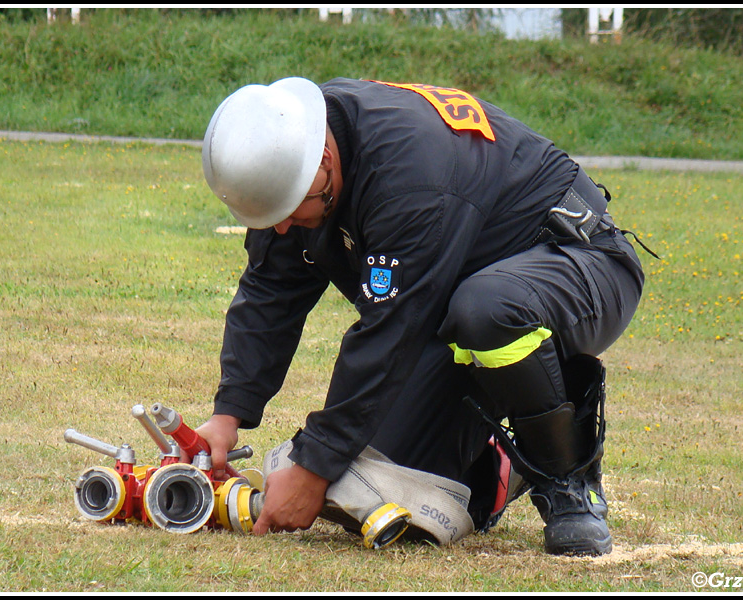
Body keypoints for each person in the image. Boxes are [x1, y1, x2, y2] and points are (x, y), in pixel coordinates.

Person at [195, 76, 647, 556]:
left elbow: (392, 332)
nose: (282, 226)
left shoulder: (409, 174)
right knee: (375, 486)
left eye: (289, 209)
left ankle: (568, 479)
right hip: (452, 297)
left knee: (488, 310)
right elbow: (270, 291)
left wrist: (312, 468)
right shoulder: (293, 148)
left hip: (577, 263)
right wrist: (227, 416)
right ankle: (497, 465)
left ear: (324, 160)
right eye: (270, 216)